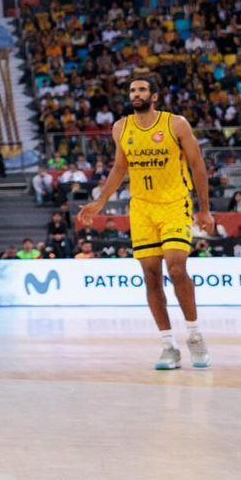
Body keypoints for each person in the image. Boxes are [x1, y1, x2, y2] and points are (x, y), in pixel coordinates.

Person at [79, 71, 215, 369]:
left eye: (141, 90)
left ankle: (194, 335)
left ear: (154, 96)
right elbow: (119, 168)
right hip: (141, 209)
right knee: (151, 276)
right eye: (132, 90)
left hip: (174, 204)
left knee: (176, 267)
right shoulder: (121, 127)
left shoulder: (175, 124)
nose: (135, 94)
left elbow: (197, 165)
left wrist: (204, 209)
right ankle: (168, 346)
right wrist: (100, 201)